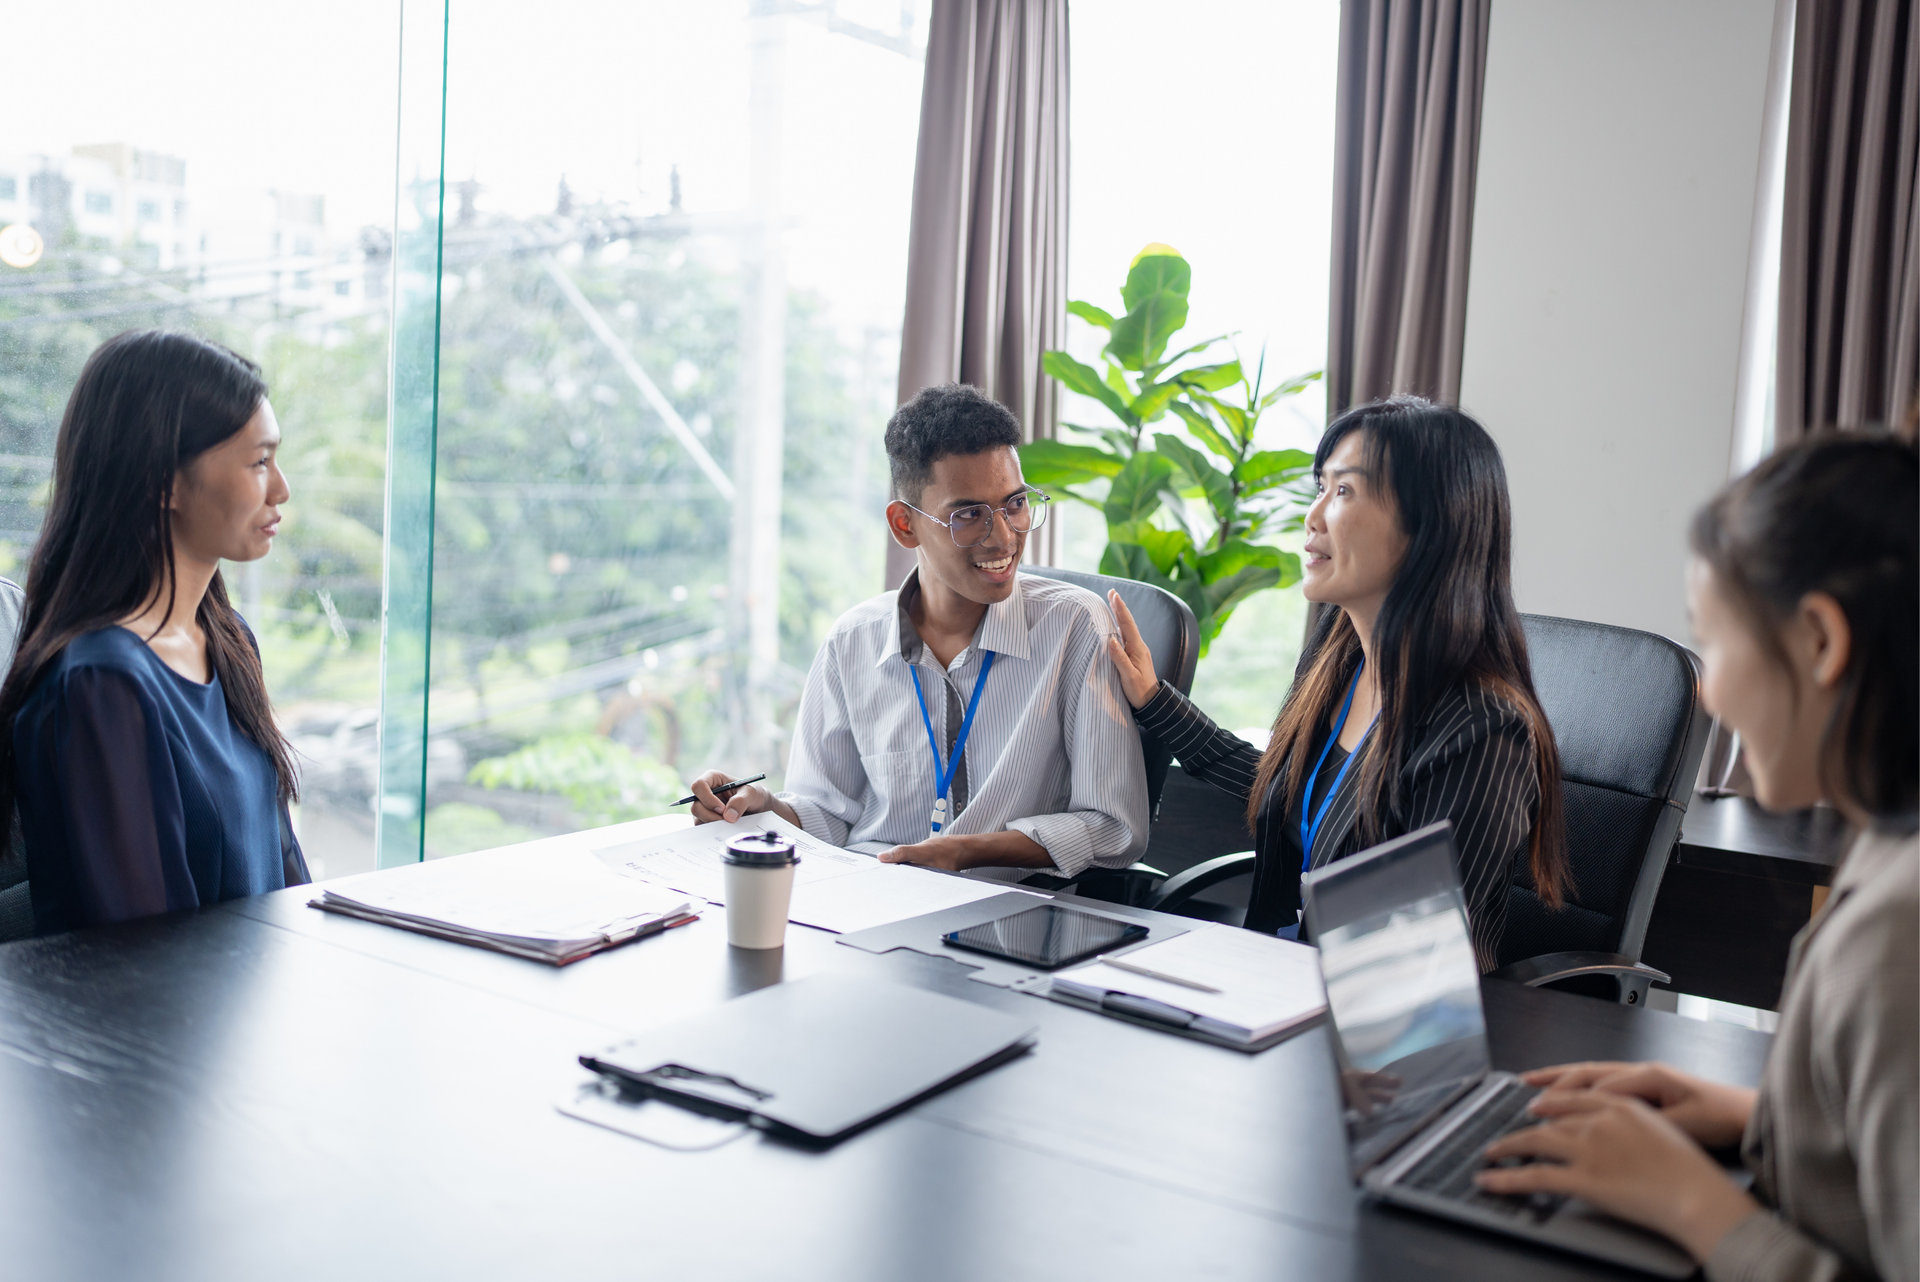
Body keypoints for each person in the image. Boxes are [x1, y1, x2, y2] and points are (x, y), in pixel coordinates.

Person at [1475, 432, 1917, 1281]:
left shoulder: (1898, 930)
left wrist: (1692, 1204)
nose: (1708, 693)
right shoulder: (1889, 845)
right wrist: (1764, 1117)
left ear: (1820, 643)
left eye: (1716, 647)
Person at [1106, 396, 1567, 965]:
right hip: (1282, 983)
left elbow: (1419, 963)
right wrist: (1154, 701)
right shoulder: (1338, 658)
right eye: (1318, 487)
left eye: (1343, 491)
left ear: (1428, 525)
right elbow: (1288, 784)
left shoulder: (1481, 730)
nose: (1314, 515)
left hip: (1374, 1025)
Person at [688, 382, 1148, 881]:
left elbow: (1113, 827)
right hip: (869, 896)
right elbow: (828, 814)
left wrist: (968, 851)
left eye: (1015, 504)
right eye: (968, 514)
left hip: (1014, 918)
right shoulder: (852, 642)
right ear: (904, 525)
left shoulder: (1075, 627)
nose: (1003, 536)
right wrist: (763, 807)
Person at [0, 330, 309, 935]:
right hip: (160, 1024)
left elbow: (288, 876)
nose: (282, 488)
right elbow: (152, 951)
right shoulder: (99, 683)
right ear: (162, 482)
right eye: (259, 462)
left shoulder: (228, 640)